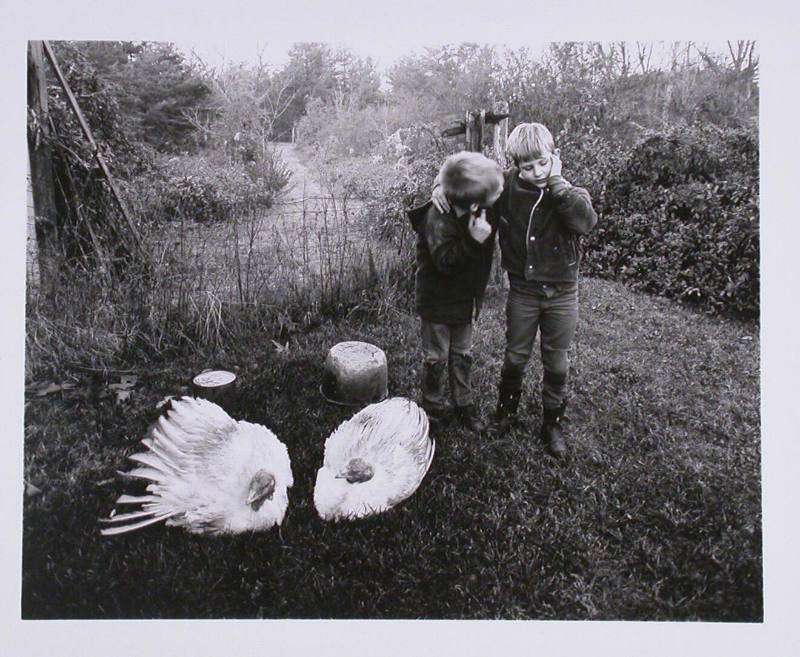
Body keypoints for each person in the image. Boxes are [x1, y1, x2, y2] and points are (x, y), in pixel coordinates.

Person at [432, 123, 597, 456]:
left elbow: (585, 222)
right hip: (523, 290)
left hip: (563, 292)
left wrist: (557, 185)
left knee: (557, 360)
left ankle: (552, 424)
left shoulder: (570, 193)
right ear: (516, 166)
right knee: (516, 355)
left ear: (555, 158)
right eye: (526, 166)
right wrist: (441, 185)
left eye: (542, 163)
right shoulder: (505, 188)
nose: (535, 172)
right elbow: (467, 180)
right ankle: (506, 413)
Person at [407, 151, 503, 435]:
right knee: (435, 357)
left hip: (464, 299)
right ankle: (432, 408)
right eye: (494, 196)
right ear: (472, 202)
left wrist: (440, 181)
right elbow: (445, 262)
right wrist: (474, 240)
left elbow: (467, 171)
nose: (499, 197)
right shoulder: (438, 218)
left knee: (462, 354)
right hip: (436, 301)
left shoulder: (481, 204)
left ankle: (464, 403)